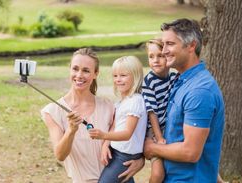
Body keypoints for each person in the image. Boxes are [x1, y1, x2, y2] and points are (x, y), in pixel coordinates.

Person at [41, 48, 144, 183]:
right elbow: (60, 155)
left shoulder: (109, 106)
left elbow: (135, 132)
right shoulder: (52, 112)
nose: (79, 75)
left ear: (95, 74)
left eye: (86, 70)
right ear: (69, 70)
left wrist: (140, 159)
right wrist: (71, 130)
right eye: (75, 69)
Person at [144, 18, 225, 183]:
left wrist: (152, 148)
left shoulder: (199, 91)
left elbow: (190, 152)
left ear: (191, 46)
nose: (164, 50)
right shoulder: (180, 81)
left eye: (170, 44)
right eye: (163, 44)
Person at [88, 56, 147, 183]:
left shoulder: (135, 101)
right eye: (115, 76)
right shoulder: (122, 102)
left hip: (125, 155)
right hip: (117, 151)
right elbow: (114, 126)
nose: (118, 80)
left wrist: (103, 135)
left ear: (135, 77)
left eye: (123, 75)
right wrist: (105, 143)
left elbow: (127, 134)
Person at [142, 38, 178, 183]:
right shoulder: (149, 82)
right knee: (158, 175)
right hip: (154, 131)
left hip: (170, 127)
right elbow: (152, 113)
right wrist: (160, 138)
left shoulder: (174, 77)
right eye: (151, 56)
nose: (155, 60)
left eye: (160, 56)